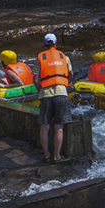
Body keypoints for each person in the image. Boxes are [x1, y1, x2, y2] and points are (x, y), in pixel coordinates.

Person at [35, 33, 73, 163]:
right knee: (59, 127)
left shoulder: (40, 57)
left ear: (44, 45)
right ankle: (57, 156)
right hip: (61, 93)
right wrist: (68, 83)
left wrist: (40, 91)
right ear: (56, 43)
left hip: (45, 94)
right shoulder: (64, 57)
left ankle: (46, 155)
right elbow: (71, 73)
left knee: (44, 127)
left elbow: (36, 79)